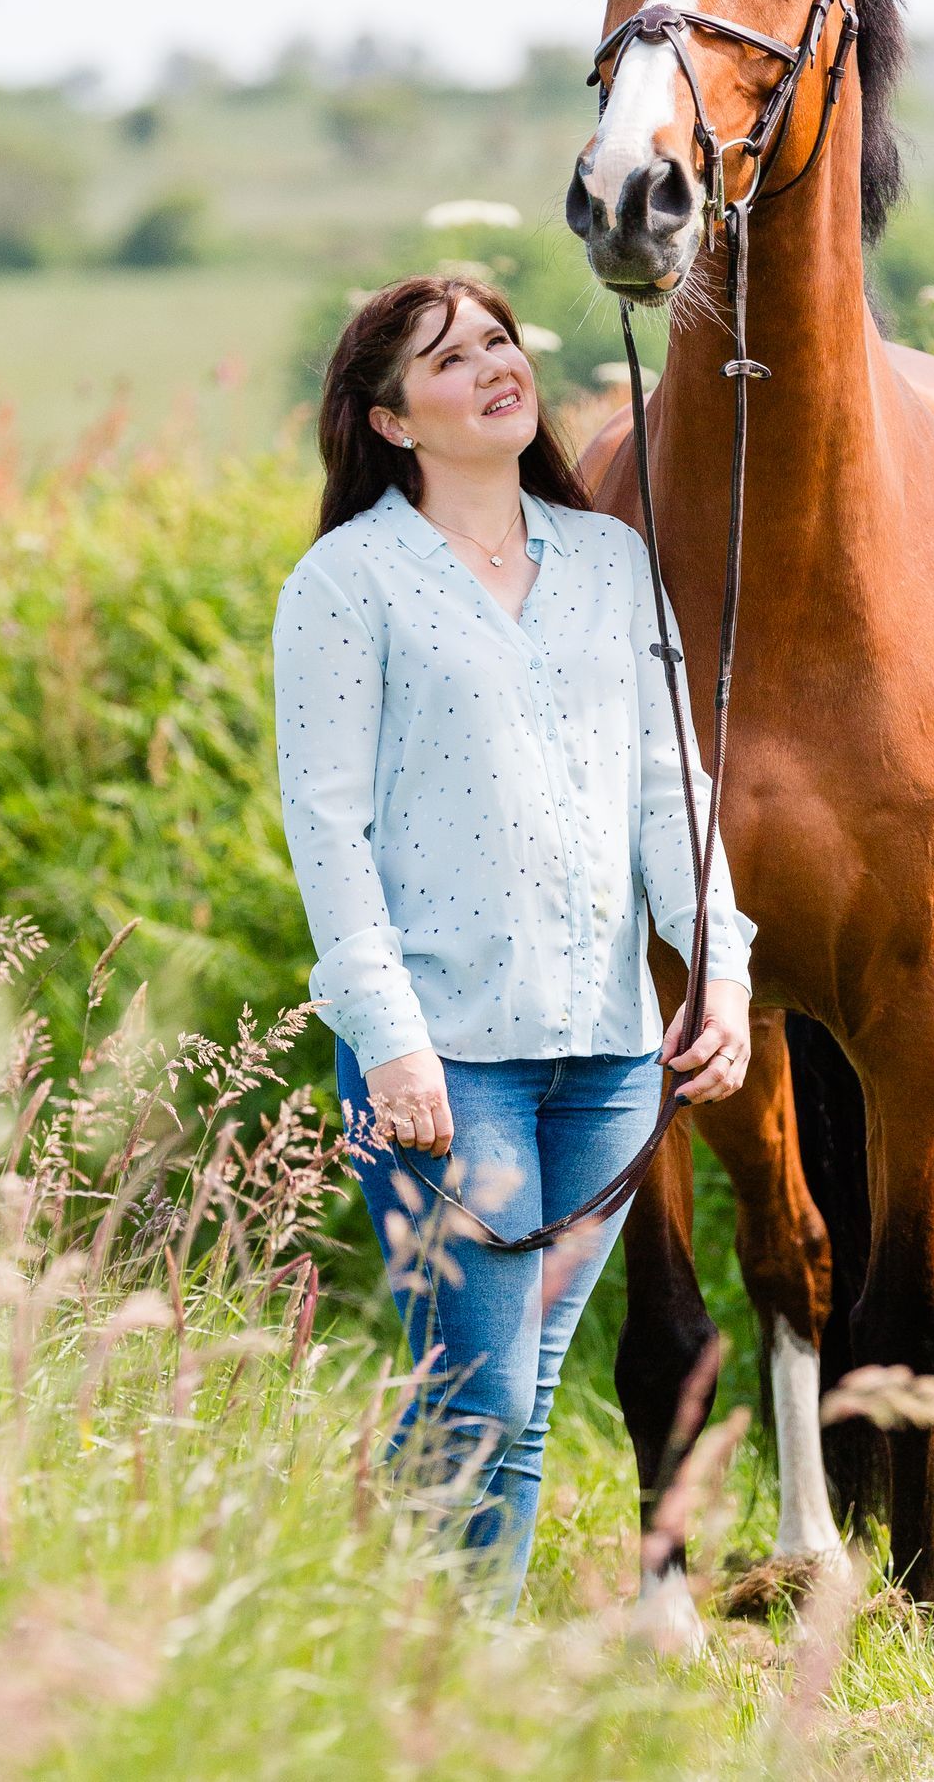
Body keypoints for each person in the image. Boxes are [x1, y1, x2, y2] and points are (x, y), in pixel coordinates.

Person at [273, 275, 754, 1604]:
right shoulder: (347, 583)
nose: (492, 366)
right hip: (446, 1064)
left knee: (510, 1405)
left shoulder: (607, 561)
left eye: (496, 340)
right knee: (483, 1404)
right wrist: (391, 1043)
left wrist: (724, 969)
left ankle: (393, 1655)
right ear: (388, 421)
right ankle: (451, 1685)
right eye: (446, 359)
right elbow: (327, 830)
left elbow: (672, 789)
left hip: (604, 1060)